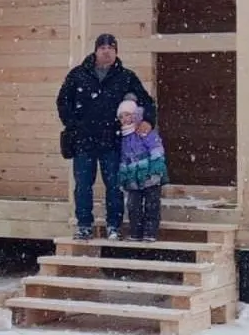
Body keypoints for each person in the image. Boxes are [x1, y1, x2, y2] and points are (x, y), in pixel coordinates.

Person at [56, 33, 157, 241]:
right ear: (96, 51)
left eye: (111, 48)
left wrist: (147, 120)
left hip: (113, 141)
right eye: (103, 48)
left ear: (116, 52)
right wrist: (74, 125)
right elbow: (63, 101)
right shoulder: (78, 75)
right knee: (83, 185)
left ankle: (114, 226)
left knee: (114, 186)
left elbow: (146, 101)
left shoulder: (126, 77)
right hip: (83, 142)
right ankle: (84, 225)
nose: (107, 51)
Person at [117, 96, 168, 241]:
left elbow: (156, 149)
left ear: (135, 115)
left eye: (127, 115)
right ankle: (135, 232)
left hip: (149, 174)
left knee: (152, 204)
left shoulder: (144, 131)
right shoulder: (122, 137)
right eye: (121, 116)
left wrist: (156, 168)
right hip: (133, 177)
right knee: (133, 206)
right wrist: (124, 175)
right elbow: (123, 158)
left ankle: (150, 232)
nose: (125, 119)